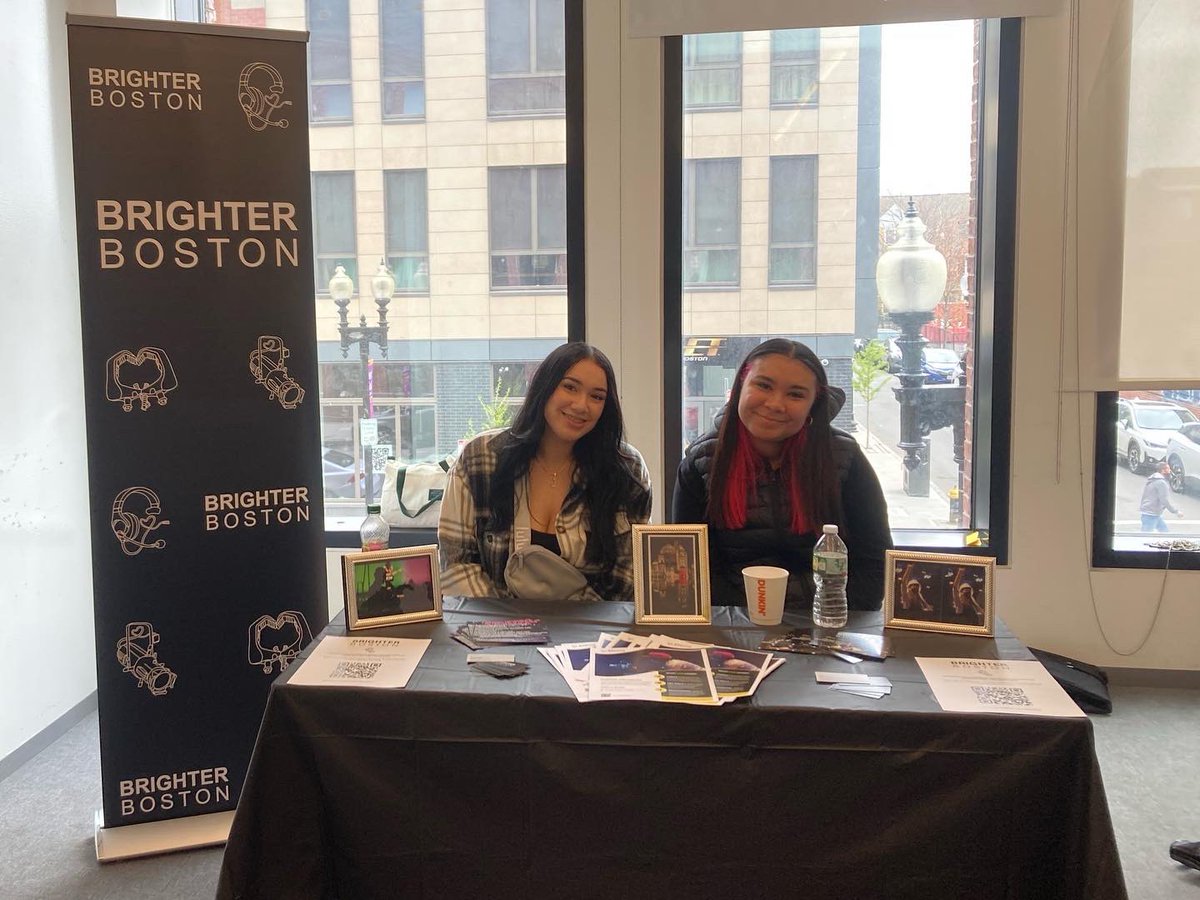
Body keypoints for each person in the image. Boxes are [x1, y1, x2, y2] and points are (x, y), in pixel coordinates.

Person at [673, 338, 892, 610]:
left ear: (813, 404)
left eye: (796, 394)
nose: (776, 404)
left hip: (830, 621)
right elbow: (694, 575)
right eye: (763, 385)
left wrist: (799, 613)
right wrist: (761, 613)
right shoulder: (701, 461)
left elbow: (874, 571)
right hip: (736, 624)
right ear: (740, 385)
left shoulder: (844, 457)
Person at [439, 342, 652, 601]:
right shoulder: (480, 459)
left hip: (590, 635)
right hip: (493, 631)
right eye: (570, 387)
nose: (581, 405)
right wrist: (514, 628)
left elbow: (627, 581)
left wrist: (575, 631)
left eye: (597, 396)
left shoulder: (626, 470)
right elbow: (456, 564)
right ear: (544, 387)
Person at [1140, 461, 1182, 533]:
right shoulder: (1161, 483)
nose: (1170, 471)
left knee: (1164, 532)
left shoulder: (1153, 479)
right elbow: (1164, 500)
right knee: (1145, 536)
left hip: (1152, 513)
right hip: (1151, 514)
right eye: (1168, 469)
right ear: (1163, 470)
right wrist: (1175, 511)